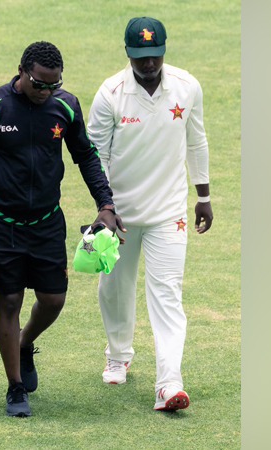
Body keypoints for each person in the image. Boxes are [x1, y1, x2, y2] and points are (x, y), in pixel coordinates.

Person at [0, 41, 123, 417]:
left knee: (53, 300)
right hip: (0, 224)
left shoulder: (65, 106)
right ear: (21, 71)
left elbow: (85, 155)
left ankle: (25, 342)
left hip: (46, 223)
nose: (46, 92)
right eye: (40, 84)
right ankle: (15, 386)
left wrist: (105, 204)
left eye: (54, 85)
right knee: (8, 300)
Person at [87, 17, 213, 412]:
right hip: (119, 215)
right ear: (128, 54)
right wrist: (104, 208)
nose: (149, 64)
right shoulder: (110, 94)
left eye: (155, 55)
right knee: (115, 289)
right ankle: (118, 354)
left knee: (167, 295)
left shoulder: (187, 86)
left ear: (164, 50)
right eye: (141, 57)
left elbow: (197, 140)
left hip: (169, 213)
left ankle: (168, 382)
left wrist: (203, 194)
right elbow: (95, 156)